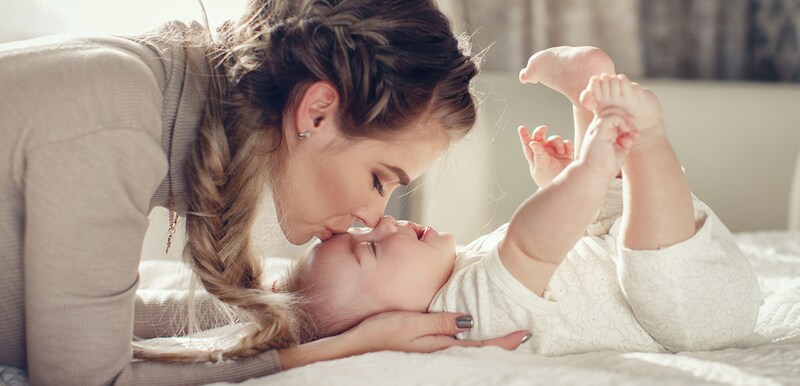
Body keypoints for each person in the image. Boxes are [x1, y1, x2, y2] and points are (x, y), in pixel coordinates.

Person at [0, 0, 529, 386]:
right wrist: (334, 350)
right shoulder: (114, 124)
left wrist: (299, 317)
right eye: (378, 178)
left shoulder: (150, 96)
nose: (373, 216)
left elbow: (80, 330)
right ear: (317, 112)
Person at [282, 48, 761, 356]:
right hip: (693, 316)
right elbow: (532, 247)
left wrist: (566, 189)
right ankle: (646, 138)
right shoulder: (458, 317)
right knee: (647, 253)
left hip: (628, 259)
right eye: (372, 249)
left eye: (370, 233)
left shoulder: (459, 269)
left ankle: (588, 99)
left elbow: (553, 248)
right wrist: (583, 175)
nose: (384, 222)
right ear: (391, 324)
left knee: (612, 215)